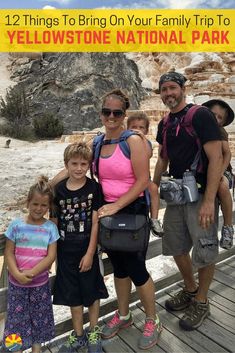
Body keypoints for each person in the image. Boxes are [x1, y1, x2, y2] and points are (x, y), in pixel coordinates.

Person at [153, 72, 223, 331]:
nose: (168, 93)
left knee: (204, 249)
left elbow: (216, 158)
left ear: (183, 88)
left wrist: (208, 201)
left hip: (201, 194)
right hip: (177, 195)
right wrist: (153, 185)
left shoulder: (200, 115)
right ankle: (191, 289)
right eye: (164, 90)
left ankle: (202, 302)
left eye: (172, 88)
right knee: (176, 246)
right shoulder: (165, 123)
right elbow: (162, 157)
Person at [96, 89, 162, 350]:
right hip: (109, 213)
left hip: (131, 210)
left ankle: (152, 319)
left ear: (124, 114)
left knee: (136, 269)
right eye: (106, 111)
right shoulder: (98, 142)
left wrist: (116, 207)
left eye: (117, 112)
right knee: (119, 267)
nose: (111, 116)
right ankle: (124, 315)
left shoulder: (133, 140)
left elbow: (144, 180)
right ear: (101, 113)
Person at [51, 142, 108, 353]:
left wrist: (91, 253)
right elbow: (54, 224)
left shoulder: (94, 188)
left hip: (87, 251)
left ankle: (93, 331)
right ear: (66, 165)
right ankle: (79, 335)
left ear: (89, 165)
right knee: (73, 295)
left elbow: (95, 223)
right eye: (74, 163)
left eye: (83, 164)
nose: (78, 168)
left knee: (92, 293)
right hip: (65, 253)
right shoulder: (58, 191)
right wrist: (53, 255)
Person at [3, 176, 59, 353]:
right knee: (16, 321)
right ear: (28, 202)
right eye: (35, 204)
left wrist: (32, 273)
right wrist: (17, 274)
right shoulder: (16, 226)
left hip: (40, 285)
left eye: (43, 205)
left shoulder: (50, 228)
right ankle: (16, 350)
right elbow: (9, 252)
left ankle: (37, 350)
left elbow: (51, 257)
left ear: (49, 206)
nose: (39, 209)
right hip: (16, 284)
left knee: (39, 319)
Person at [202, 99, 234, 249]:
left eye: (220, 117)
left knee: (221, 186)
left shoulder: (219, 131)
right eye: (212, 114)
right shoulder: (198, 128)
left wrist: (220, 172)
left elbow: (227, 155)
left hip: (223, 171)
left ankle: (228, 226)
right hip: (208, 170)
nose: (215, 119)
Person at [127, 112, 164, 236]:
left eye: (141, 127)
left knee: (153, 188)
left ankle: (154, 219)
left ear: (146, 130)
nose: (137, 130)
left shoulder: (146, 142)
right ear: (127, 129)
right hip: (129, 178)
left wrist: (142, 139)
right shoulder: (125, 140)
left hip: (143, 179)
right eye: (134, 127)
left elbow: (148, 154)